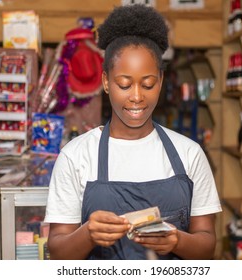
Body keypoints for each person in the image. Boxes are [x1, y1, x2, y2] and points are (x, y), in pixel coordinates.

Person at [44, 4, 222, 260]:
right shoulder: (76, 156)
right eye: (124, 84)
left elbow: (207, 246)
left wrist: (177, 241)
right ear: (106, 82)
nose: (137, 97)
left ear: (160, 81)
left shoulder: (189, 154)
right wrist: (87, 235)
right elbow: (58, 253)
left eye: (148, 84)